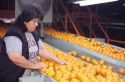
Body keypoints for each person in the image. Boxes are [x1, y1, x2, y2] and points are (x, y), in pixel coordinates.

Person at [0, 6, 67, 82]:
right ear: (25, 21)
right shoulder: (14, 34)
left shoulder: (33, 33)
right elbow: (15, 57)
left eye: (37, 22)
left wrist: (58, 60)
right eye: (34, 21)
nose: (37, 24)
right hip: (12, 76)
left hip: (27, 75)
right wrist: (33, 65)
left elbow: (41, 51)